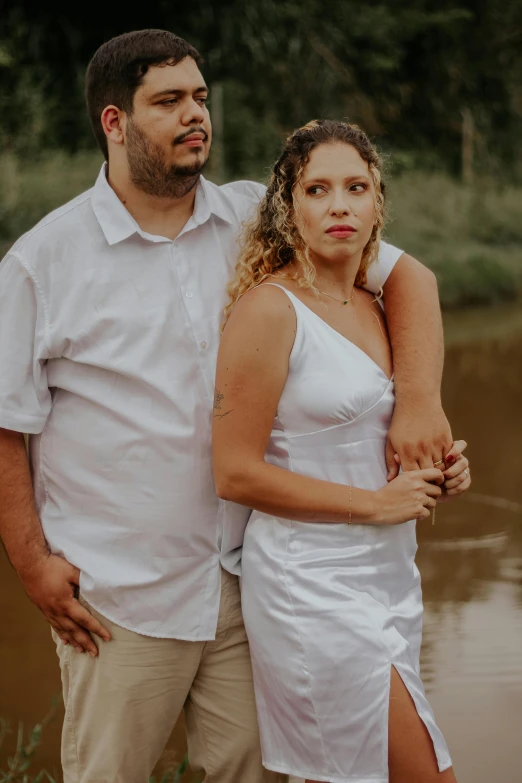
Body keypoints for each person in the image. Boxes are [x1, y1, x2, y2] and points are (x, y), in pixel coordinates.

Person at [0, 28, 455, 783]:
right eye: (169, 101)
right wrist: (31, 563)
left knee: (254, 773)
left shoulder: (260, 219)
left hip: (252, 587)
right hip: (121, 595)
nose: (195, 115)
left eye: (201, 98)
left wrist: (419, 400)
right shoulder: (43, 261)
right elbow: (7, 424)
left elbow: (408, 278)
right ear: (114, 122)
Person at [212, 120, 471, 783]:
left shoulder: (377, 305)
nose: (339, 205)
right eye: (318, 189)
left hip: (389, 575)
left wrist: (438, 467)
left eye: (356, 187)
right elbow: (234, 471)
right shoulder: (270, 310)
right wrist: (376, 503)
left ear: (378, 202)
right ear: (289, 206)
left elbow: (375, 436)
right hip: (310, 583)